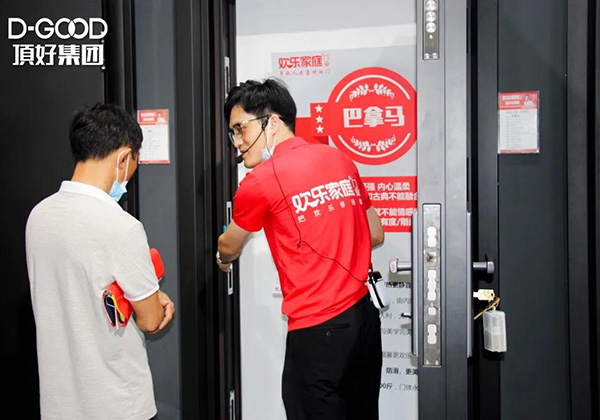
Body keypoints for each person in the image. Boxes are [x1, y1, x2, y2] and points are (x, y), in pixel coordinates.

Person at [217, 79, 385, 420]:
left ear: (271, 122)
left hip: (318, 331)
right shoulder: (338, 158)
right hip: (364, 320)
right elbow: (375, 234)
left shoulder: (260, 180)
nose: (237, 142)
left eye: (240, 129)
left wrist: (222, 257)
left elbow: (229, 245)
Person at [25, 103, 175, 420]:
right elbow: (150, 321)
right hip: (119, 405)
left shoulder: (38, 216)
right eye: (134, 164)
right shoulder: (122, 227)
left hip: (59, 404)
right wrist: (156, 300)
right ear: (124, 158)